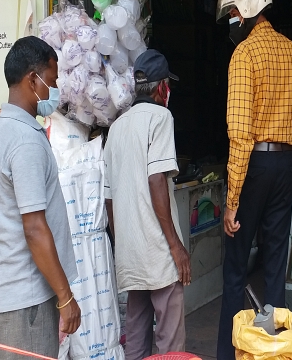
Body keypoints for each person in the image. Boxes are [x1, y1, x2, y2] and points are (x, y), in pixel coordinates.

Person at [215, 0, 292, 360]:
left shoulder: (244, 54)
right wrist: (290, 153)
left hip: (253, 166)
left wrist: (232, 198)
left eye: (233, 15)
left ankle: (230, 354)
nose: (232, 23)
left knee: (236, 269)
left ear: (246, 7)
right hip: (284, 167)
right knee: (275, 267)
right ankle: (276, 353)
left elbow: (240, 135)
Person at [0, 36, 80, 360]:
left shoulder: (7, 127)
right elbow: (34, 228)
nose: (54, 89)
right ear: (32, 80)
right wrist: (65, 298)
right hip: (25, 301)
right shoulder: (24, 140)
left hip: (17, 295)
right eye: (51, 81)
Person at [104, 49, 189, 360]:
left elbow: (109, 198)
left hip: (130, 253)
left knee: (137, 339)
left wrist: (122, 243)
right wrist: (176, 246)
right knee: (169, 341)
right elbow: (156, 181)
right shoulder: (161, 117)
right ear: (162, 87)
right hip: (158, 253)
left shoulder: (116, 128)